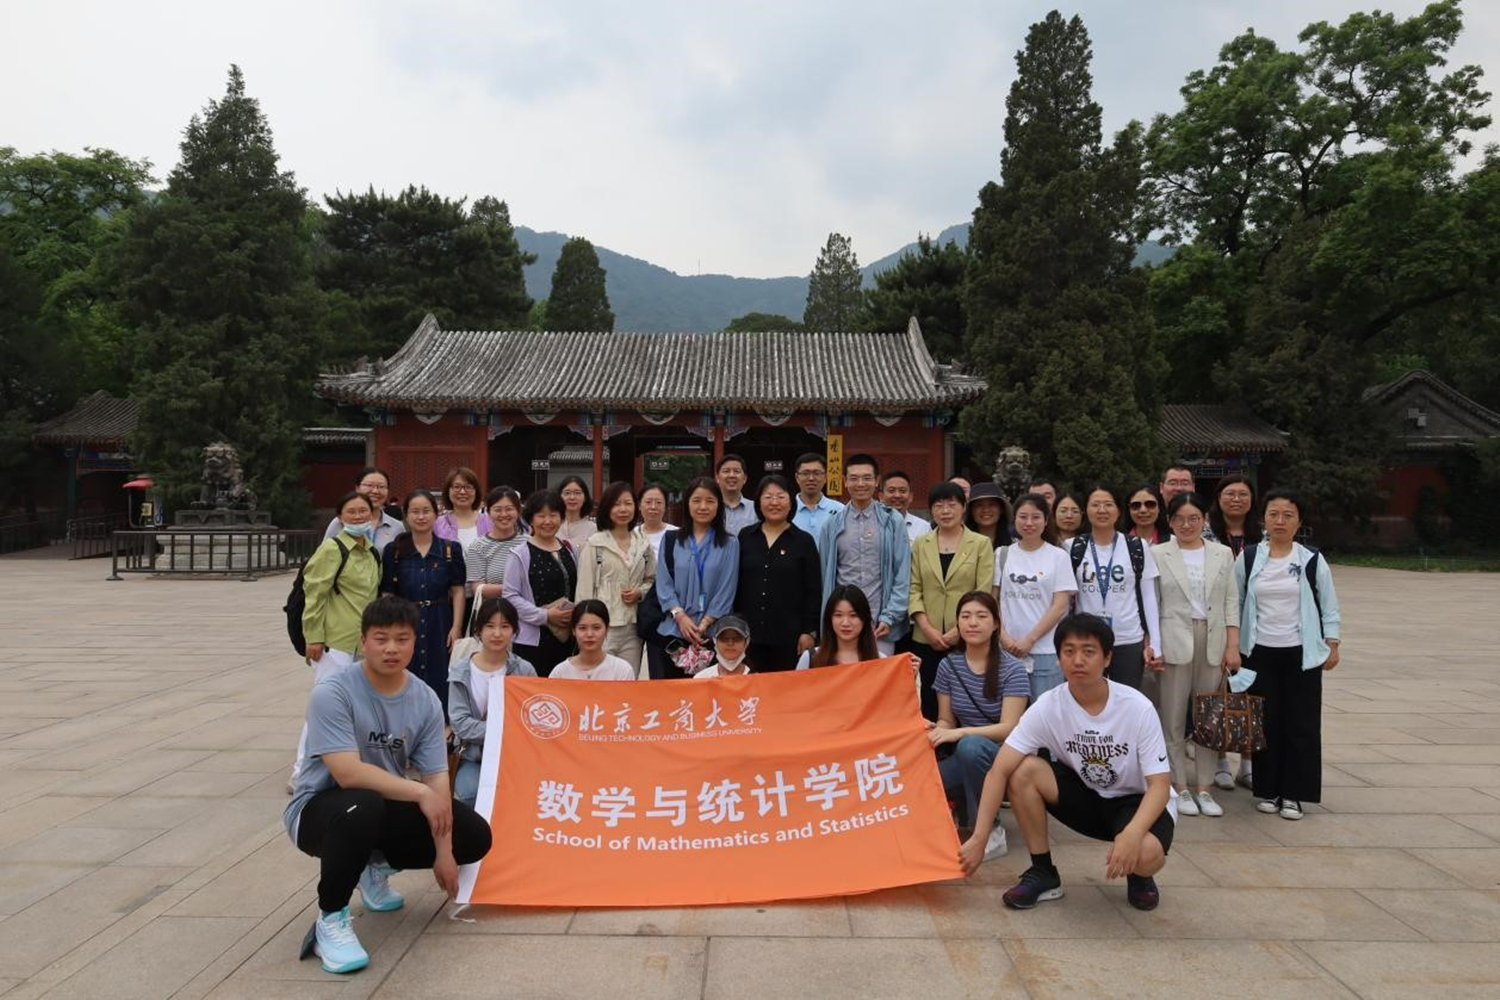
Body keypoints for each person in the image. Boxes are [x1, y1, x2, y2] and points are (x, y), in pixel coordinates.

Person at [287, 596, 492, 974]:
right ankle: (330, 919)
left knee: (474, 836)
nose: (392, 648)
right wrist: (419, 792)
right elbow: (347, 773)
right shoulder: (333, 692)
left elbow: (436, 777)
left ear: (415, 642)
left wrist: (444, 852)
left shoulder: (424, 698)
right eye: (381, 639)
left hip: (379, 806)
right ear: (363, 642)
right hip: (320, 811)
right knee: (361, 805)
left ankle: (372, 865)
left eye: (402, 639)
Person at [959, 614, 1176, 913]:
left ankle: (1139, 875)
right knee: (1022, 770)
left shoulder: (1137, 708)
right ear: (1059, 658)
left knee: (1146, 854)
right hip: (1086, 795)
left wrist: (1132, 834)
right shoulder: (1049, 705)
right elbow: (999, 770)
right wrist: (980, 837)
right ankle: (1043, 872)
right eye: (1069, 651)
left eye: (1089, 651)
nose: (1078, 660)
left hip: (1135, 802)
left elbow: (1160, 786)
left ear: (1107, 658)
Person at [1235, 490, 1341, 821]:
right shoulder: (1249, 558)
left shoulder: (1311, 559)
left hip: (1302, 653)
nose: (1280, 521)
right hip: (1258, 652)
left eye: (1288, 515)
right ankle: (1267, 789)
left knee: (1301, 724)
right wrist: (1232, 646)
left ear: (1299, 521)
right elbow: (1236, 602)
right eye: (1274, 514)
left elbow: (1329, 603)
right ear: (1263, 519)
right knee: (1265, 723)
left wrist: (1333, 642)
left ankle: (1294, 793)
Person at [1152, 492, 1240, 818]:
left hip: (1213, 639)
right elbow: (1153, 602)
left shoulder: (1222, 553)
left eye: (1193, 518)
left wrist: (1233, 645)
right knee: (1173, 716)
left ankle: (1205, 786)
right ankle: (1179, 785)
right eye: (1179, 519)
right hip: (1174, 638)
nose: (1186, 525)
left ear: (1204, 520)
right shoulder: (1158, 553)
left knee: (1209, 716)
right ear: (1169, 521)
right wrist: (1153, 643)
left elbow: (1231, 600)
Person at [293, 490, 384, 785]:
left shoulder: (371, 551)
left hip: (362, 642)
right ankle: (302, 772)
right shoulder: (332, 549)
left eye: (363, 511)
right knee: (325, 706)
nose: (358, 517)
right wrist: (313, 636)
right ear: (340, 518)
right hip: (335, 642)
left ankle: (342, 769)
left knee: (354, 706)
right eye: (351, 512)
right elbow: (314, 595)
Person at [930, 591, 1029, 855]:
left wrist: (961, 733)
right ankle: (959, 810)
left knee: (970, 747)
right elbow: (946, 720)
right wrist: (936, 730)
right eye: (965, 616)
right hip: (966, 754)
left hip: (1007, 758)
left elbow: (1009, 728)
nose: (972, 623)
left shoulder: (1013, 669)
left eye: (981, 616)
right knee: (923, 780)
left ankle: (991, 832)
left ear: (996, 624)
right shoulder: (948, 666)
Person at [909, 481, 995, 719]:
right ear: (931, 510)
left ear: (963, 507)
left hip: (967, 636)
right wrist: (927, 629)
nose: (945, 511)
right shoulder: (921, 543)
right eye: (939, 505)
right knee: (928, 698)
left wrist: (958, 630)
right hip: (926, 636)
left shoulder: (980, 544)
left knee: (963, 698)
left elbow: (983, 592)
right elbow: (914, 588)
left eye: (951, 504)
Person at [380, 490, 466, 716]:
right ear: (406, 516)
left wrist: (456, 627)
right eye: (415, 512)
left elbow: (457, 590)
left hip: (440, 620)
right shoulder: (394, 551)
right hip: (405, 621)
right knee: (406, 670)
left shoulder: (450, 549)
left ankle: (441, 723)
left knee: (441, 672)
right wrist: (390, 628)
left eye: (426, 511)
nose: (421, 516)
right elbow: (387, 593)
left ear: (436, 514)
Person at [818, 453, 911, 658]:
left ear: (877, 481)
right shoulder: (832, 524)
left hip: (880, 623)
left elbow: (902, 574)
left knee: (878, 676)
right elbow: (825, 576)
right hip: (842, 623)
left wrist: (890, 616)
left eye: (867, 478)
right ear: (845, 481)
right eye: (854, 478)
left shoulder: (892, 521)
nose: (860, 484)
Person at [1070, 486, 1162, 690]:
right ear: (1086, 510)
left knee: (1126, 698)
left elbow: (1149, 596)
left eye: (1108, 504)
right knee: (1087, 696)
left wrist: (1155, 643)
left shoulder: (1137, 546)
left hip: (1128, 638)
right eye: (1095, 505)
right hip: (1086, 638)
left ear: (1119, 510)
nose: (1102, 510)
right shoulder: (1072, 547)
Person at [447, 597, 537, 807]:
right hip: (473, 757)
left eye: (505, 626)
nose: (497, 633)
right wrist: (506, 729)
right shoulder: (461, 671)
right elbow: (460, 724)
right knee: (471, 794)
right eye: (490, 626)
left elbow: (532, 719)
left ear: (514, 630)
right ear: (478, 629)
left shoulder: (524, 670)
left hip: (514, 757)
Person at [649, 477, 740, 680]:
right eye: (696, 500)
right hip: (674, 631)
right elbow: (664, 583)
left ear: (719, 505)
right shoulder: (671, 539)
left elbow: (727, 588)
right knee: (674, 694)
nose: (703, 507)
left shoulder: (730, 543)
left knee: (710, 695)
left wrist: (705, 623)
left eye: (710, 501)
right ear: (687, 504)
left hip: (712, 634)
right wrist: (680, 617)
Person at [994, 493, 1077, 701]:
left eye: (1036, 517)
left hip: (1045, 651)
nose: (1029, 523)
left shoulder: (1059, 556)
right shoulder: (1002, 554)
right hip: (1007, 650)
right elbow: (992, 601)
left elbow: (1060, 606)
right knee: (1008, 714)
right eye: (1023, 517)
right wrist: (1003, 637)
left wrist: (1030, 639)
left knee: (1046, 712)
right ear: (1014, 519)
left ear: (1046, 520)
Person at [735, 474, 820, 672]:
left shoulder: (803, 541)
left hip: (790, 637)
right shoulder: (745, 537)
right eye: (768, 497)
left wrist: (809, 632)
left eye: (781, 497)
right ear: (759, 502)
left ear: (791, 502)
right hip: (748, 635)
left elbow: (814, 590)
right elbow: (736, 584)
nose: (774, 502)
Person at [575, 481, 655, 668]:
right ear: (607, 508)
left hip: (633, 627)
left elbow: (652, 579)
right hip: (602, 627)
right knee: (599, 678)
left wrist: (640, 593)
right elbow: (584, 590)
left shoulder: (643, 543)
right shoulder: (595, 544)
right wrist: (586, 628)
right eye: (616, 504)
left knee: (628, 679)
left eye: (628, 503)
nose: (623, 509)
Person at [501, 489, 577, 678]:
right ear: (531, 519)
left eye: (553, 515)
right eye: (541, 516)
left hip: (569, 637)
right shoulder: (520, 554)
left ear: (561, 517)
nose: (548, 521)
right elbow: (510, 597)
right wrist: (546, 615)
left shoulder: (570, 549)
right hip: (533, 641)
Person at [323, 467, 405, 553]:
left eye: (381, 486)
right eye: (369, 485)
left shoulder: (397, 527)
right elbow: (325, 555)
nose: (375, 491)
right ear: (357, 488)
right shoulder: (340, 522)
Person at [466, 486, 526, 604]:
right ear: (488, 512)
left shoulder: (529, 543)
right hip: (493, 611)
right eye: (497, 510)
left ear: (518, 511)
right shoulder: (477, 546)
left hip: (528, 611)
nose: (504, 514)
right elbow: (478, 588)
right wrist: (517, 587)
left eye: (509, 509)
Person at [551, 600, 639, 680]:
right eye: (582, 628)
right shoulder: (559, 673)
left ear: (607, 629)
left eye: (596, 628)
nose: (589, 634)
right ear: (574, 630)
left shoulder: (622, 670)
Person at [799, 585, 879, 668]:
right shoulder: (811, 658)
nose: (845, 623)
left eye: (853, 615)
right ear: (829, 618)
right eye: (838, 615)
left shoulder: (880, 660)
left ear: (864, 618)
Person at [791, 452, 844, 546]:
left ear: (825, 477)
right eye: (805, 473)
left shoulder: (839, 510)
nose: (811, 478)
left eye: (817, 473)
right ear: (797, 477)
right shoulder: (786, 509)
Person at [433, 466, 490, 549]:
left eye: (468, 487)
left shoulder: (490, 523)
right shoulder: (437, 524)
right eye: (457, 487)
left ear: (476, 492)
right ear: (448, 491)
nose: (462, 492)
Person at [1210, 475, 1260, 559]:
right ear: (1219, 497)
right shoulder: (1203, 534)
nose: (1236, 499)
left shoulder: (1266, 535)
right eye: (1230, 494)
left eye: (1243, 494)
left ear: (1252, 498)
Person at [880, 470, 931, 542]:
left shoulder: (924, 528)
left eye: (902, 491)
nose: (897, 495)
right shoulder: (871, 524)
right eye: (891, 491)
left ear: (910, 497)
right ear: (881, 496)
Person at [716, 453, 758, 534]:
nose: (732, 475)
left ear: (744, 478)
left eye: (737, 471)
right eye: (726, 471)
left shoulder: (756, 508)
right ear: (717, 478)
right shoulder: (710, 508)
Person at [556, 475, 597, 553]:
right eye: (567, 493)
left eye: (577, 493)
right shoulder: (552, 525)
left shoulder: (594, 529)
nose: (572, 497)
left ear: (585, 498)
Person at [637, 481, 678, 558]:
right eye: (648, 502)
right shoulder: (631, 534)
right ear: (639, 505)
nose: (653, 507)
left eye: (658, 502)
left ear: (666, 506)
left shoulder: (677, 534)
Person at [964, 482, 1010, 549]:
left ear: (1001, 509)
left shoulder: (1015, 544)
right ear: (971, 511)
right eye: (979, 505)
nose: (986, 510)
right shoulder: (960, 543)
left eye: (992, 504)